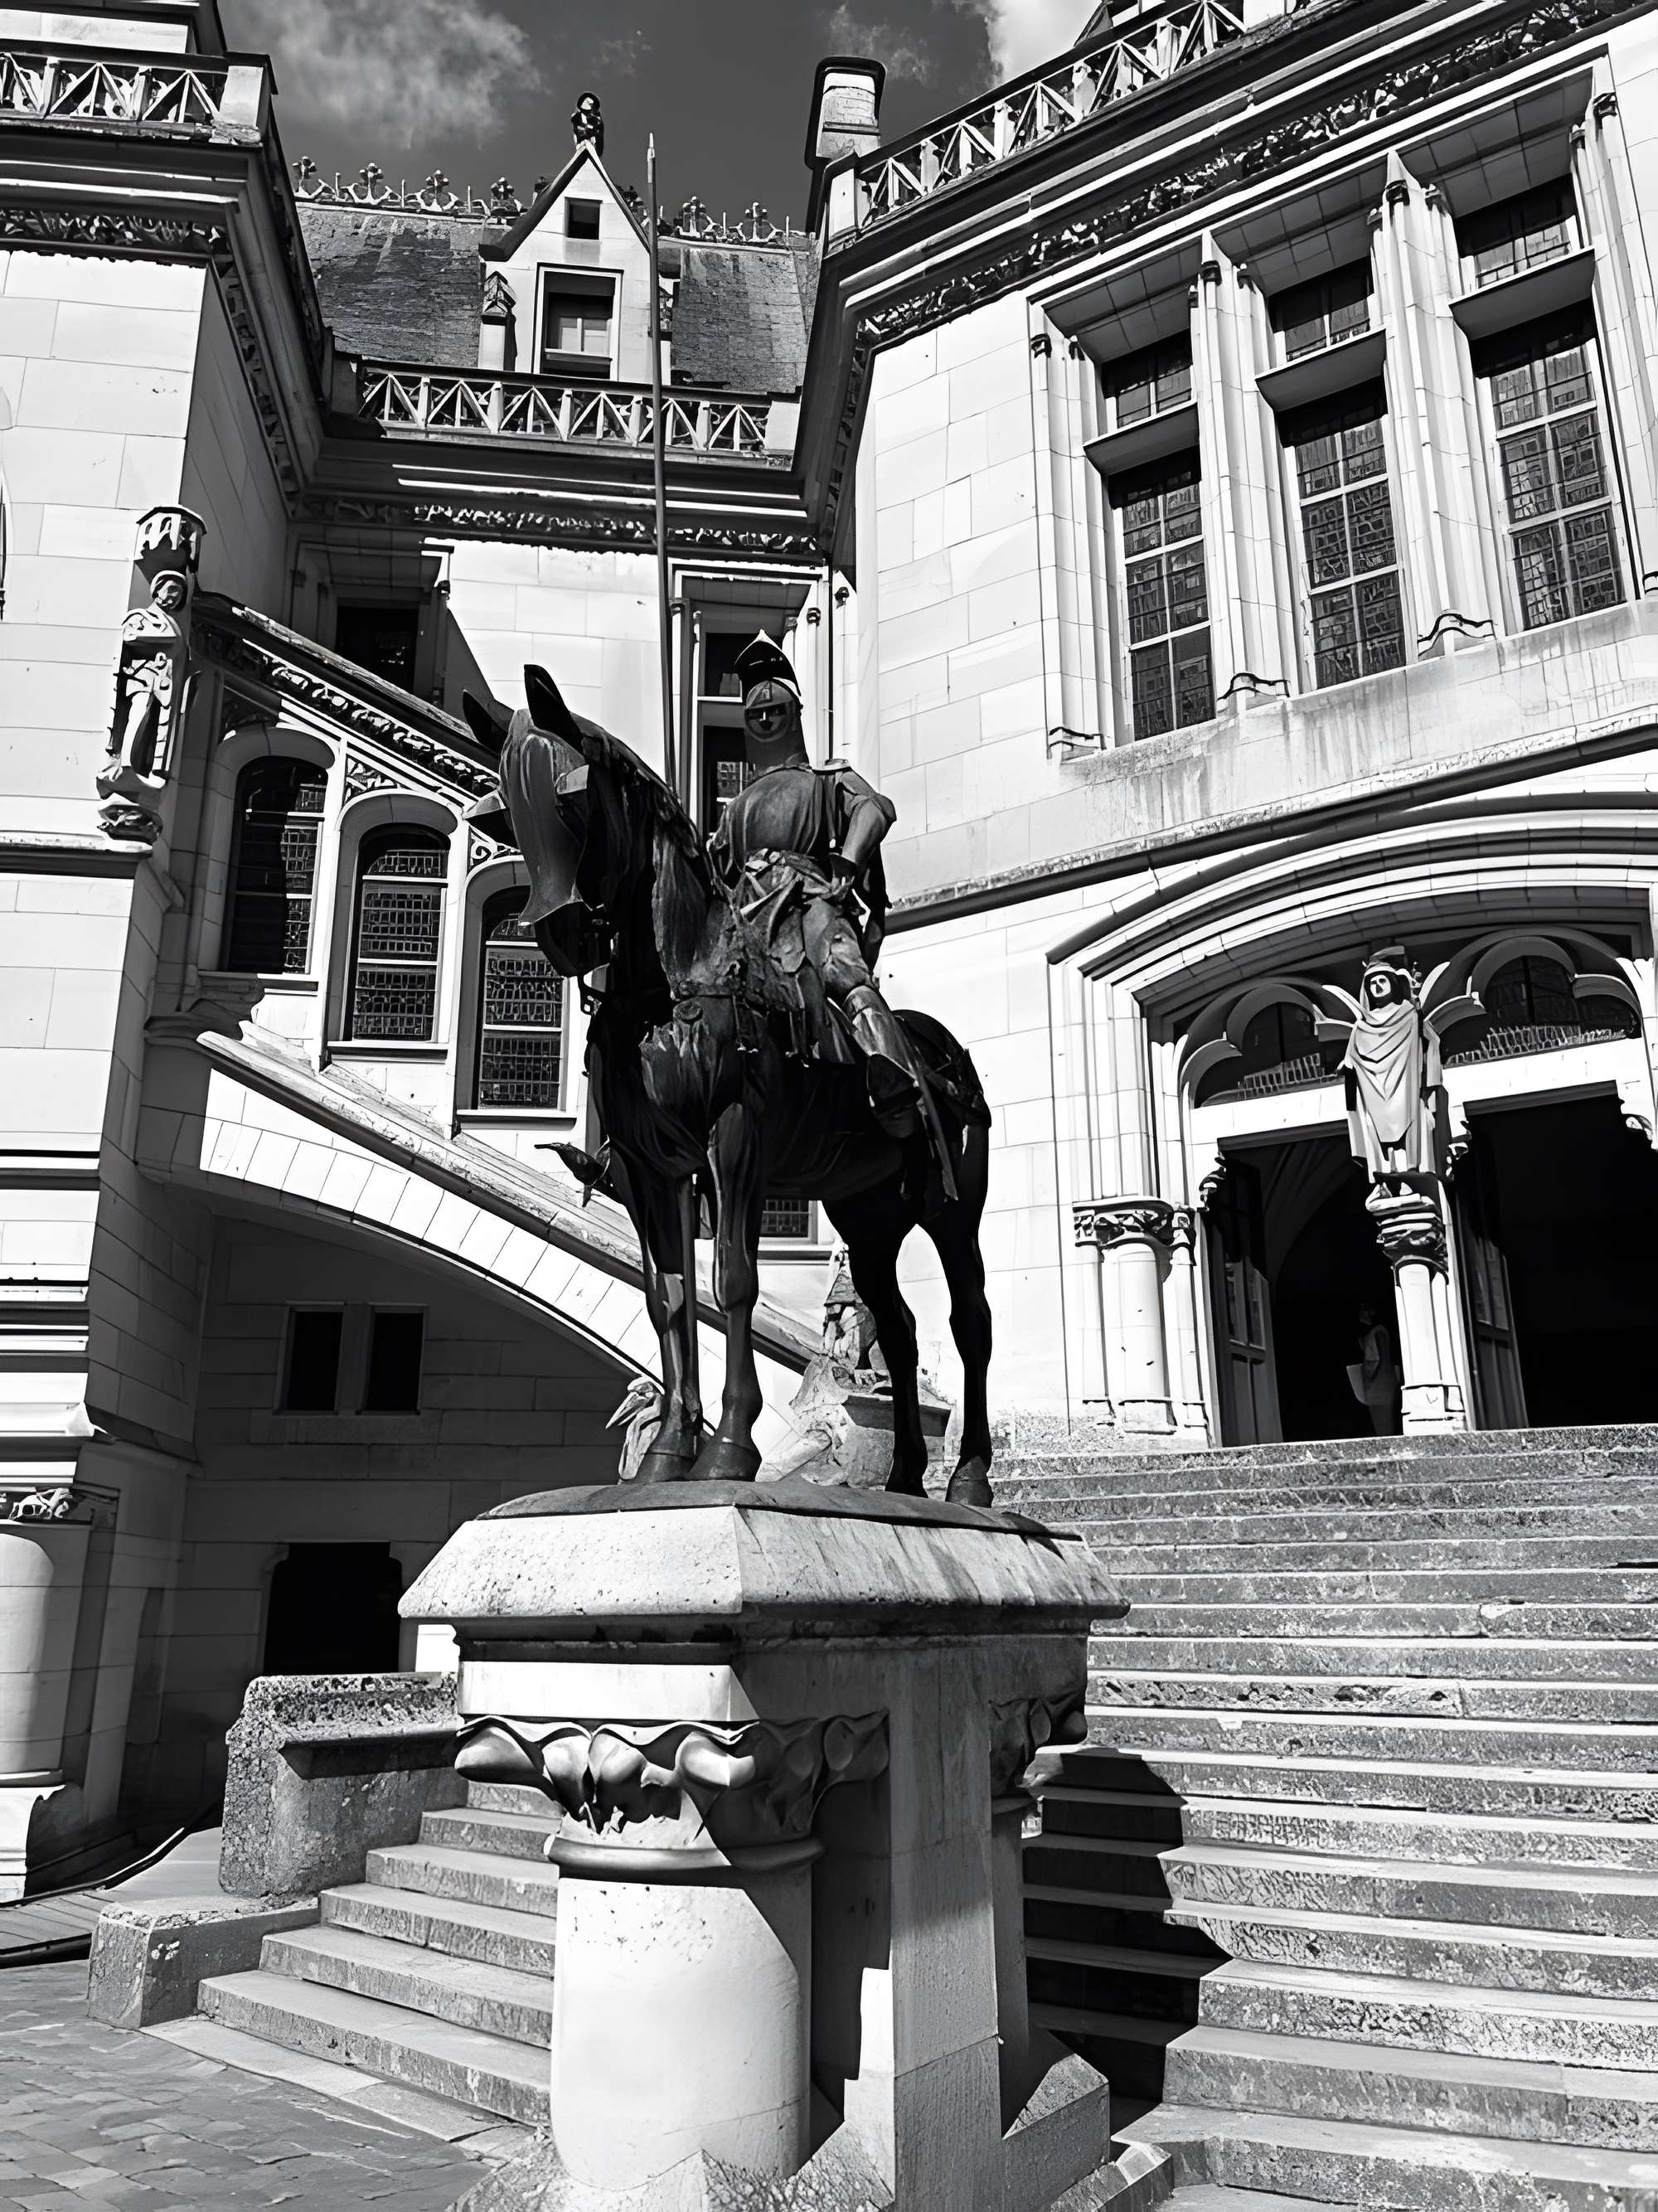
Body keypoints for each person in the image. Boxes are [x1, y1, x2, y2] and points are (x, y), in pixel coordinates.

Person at [708, 634, 953, 1192]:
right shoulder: (736, 808)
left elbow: (874, 808)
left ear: (794, 715)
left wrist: (847, 857)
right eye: (757, 713)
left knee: (845, 972)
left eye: (775, 710)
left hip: (806, 896)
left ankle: (890, 1077)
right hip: (746, 910)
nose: (766, 718)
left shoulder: (827, 779)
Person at [1340, 948, 1441, 1186]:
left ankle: (1411, 1171)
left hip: (1404, 1086)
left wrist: (1432, 1087)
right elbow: (1351, 1060)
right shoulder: (1360, 1028)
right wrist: (1347, 1066)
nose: (1377, 986)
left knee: (1409, 1122)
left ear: (1393, 984)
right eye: (1372, 983)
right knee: (1376, 1131)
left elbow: (1431, 1043)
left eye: (1382, 980)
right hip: (1374, 1093)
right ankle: (1387, 1172)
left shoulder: (1410, 1015)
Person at [1349, 1302, 1402, 1434]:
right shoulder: (1382, 1331)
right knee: (1387, 1426)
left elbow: (1374, 1359)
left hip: (1377, 1388)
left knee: (1383, 1428)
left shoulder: (1375, 1332)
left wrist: (1367, 1380)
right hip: (1387, 1386)